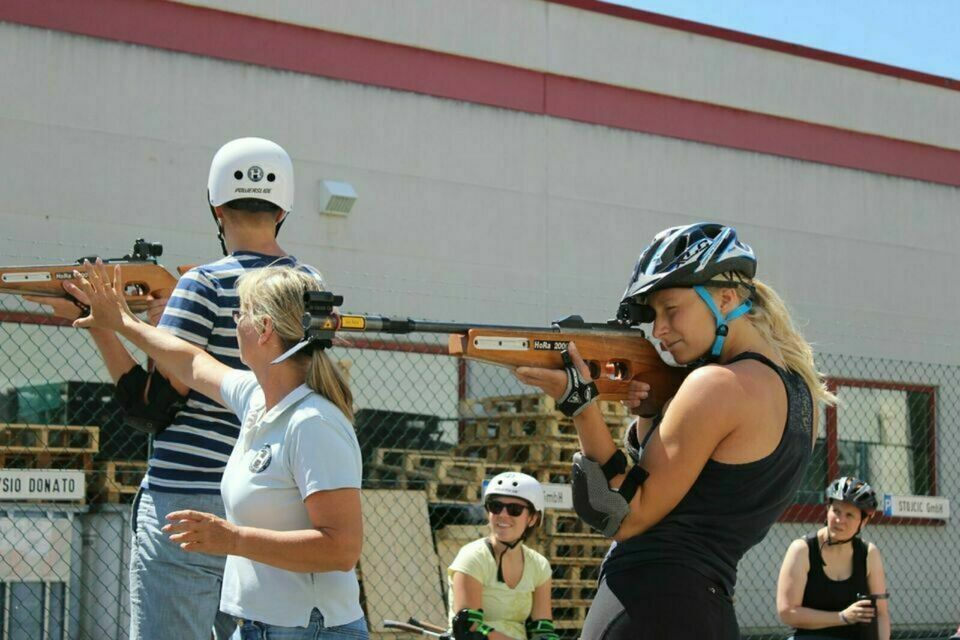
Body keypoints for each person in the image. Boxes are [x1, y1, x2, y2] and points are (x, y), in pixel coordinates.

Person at [31, 137, 321, 640]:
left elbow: (152, 409)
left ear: (216, 205)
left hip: (186, 499)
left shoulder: (203, 284)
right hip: (273, 503)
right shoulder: (310, 285)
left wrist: (102, 325)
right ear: (283, 209)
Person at [514, 222, 835, 639]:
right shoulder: (800, 395)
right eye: (654, 314)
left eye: (671, 309)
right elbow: (703, 492)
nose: (659, 329)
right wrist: (652, 415)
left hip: (648, 604)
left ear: (726, 297)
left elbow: (621, 513)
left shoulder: (714, 385)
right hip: (708, 609)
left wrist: (580, 403)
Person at [75, 262, 367, 639]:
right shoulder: (258, 399)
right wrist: (121, 322)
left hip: (307, 630)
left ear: (263, 330)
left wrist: (232, 540)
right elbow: (192, 362)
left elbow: (341, 549)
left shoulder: (312, 423)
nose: (235, 323)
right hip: (265, 627)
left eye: (240, 313)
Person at [446, 472, 558, 640]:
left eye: (515, 509)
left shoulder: (539, 566)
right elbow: (469, 628)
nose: (503, 514)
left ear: (533, 518)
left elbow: (542, 629)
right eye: (496, 506)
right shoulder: (472, 557)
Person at [777, 477, 890, 640]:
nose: (840, 520)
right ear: (827, 509)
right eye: (836, 511)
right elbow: (787, 613)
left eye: (850, 515)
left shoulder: (869, 553)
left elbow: (881, 614)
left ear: (864, 521)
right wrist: (842, 617)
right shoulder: (802, 549)